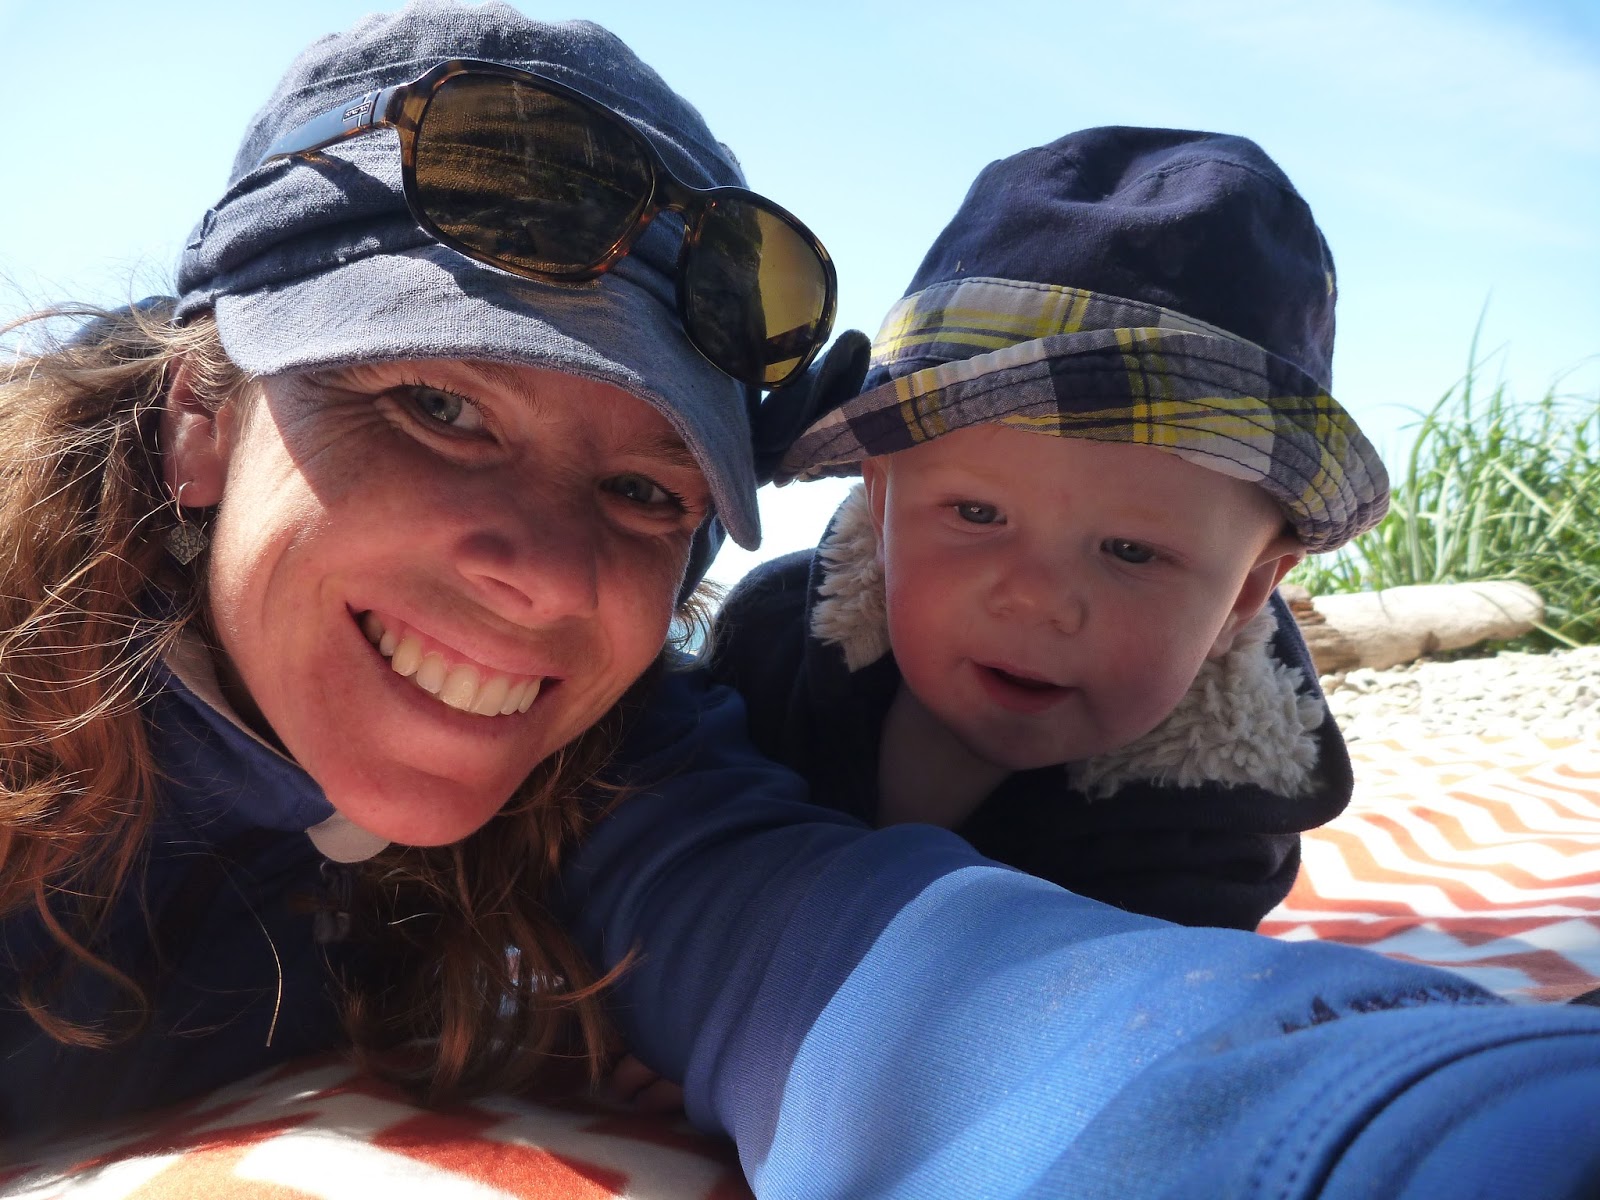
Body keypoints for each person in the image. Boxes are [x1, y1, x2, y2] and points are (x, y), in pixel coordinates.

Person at [4, 5, 1600, 1196]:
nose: (545, 573)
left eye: (647, 494)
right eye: (438, 408)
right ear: (201, 413)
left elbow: (863, 971)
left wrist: (1410, 1130)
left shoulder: (605, 771)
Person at [708, 128, 1386, 931]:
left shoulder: (1216, 828)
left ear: (1245, 592)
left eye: (1130, 551)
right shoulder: (769, 641)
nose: (1036, 598)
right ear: (882, 502)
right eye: (977, 514)